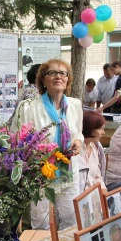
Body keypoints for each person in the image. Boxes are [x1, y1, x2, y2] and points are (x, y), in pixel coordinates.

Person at [11, 59, 84, 230]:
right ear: (43, 80)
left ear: (68, 80)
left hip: (68, 171)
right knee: (41, 221)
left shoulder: (75, 105)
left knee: (70, 217)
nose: (58, 76)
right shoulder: (28, 107)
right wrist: (37, 151)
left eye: (62, 73)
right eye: (52, 73)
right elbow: (17, 139)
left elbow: (78, 132)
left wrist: (78, 142)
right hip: (40, 173)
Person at [76, 110, 107, 192]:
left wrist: (105, 196)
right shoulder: (76, 149)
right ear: (90, 128)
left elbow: (97, 177)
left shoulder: (95, 147)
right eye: (101, 129)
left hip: (93, 197)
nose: (103, 132)